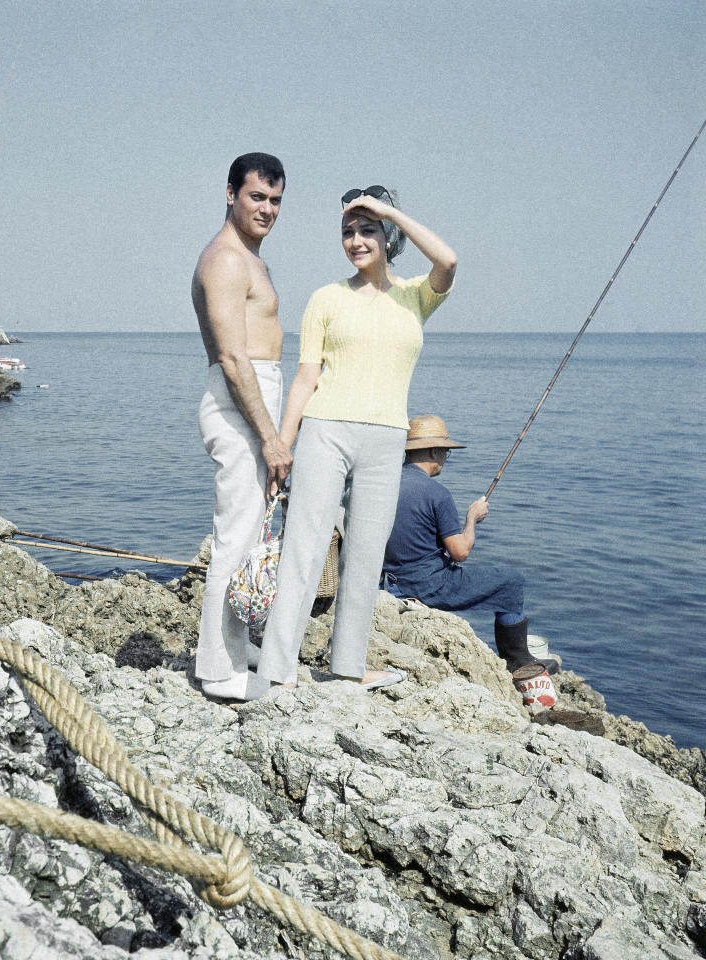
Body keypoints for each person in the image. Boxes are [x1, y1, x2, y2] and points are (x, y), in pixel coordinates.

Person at [257, 186, 456, 692]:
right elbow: (305, 377)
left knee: (366, 556)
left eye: (367, 230)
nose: (355, 240)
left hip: (387, 438)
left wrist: (387, 209)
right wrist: (282, 444)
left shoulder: (415, 297)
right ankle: (278, 670)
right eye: (348, 231)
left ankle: (347, 665)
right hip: (325, 431)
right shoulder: (326, 298)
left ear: (388, 235)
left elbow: (449, 259)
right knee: (304, 549)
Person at [192, 152, 293, 701]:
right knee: (235, 535)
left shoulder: (250, 257)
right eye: (257, 196)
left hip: (254, 398)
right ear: (231, 193)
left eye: (276, 200)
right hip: (239, 402)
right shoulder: (227, 260)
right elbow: (234, 359)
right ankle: (217, 669)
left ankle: (236, 650)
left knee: (253, 532)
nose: (267, 209)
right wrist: (272, 438)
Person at [381, 414, 560, 675]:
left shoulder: (384, 483)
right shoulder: (436, 493)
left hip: (389, 582)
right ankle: (517, 660)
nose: (444, 458)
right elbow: (460, 551)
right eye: (445, 452)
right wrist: (472, 519)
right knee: (511, 581)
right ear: (434, 451)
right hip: (426, 586)